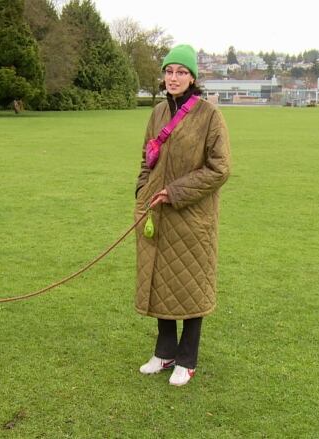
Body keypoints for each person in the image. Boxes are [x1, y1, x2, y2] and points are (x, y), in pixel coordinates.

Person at [133, 44, 231, 386]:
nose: (173, 78)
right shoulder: (158, 112)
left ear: (192, 77)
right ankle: (164, 352)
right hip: (155, 215)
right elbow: (146, 158)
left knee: (189, 287)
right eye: (169, 71)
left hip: (191, 217)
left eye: (181, 72)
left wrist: (175, 192)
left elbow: (220, 169)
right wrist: (142, 192)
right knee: (160, 282)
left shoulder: (209, 116)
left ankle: (187, 359)